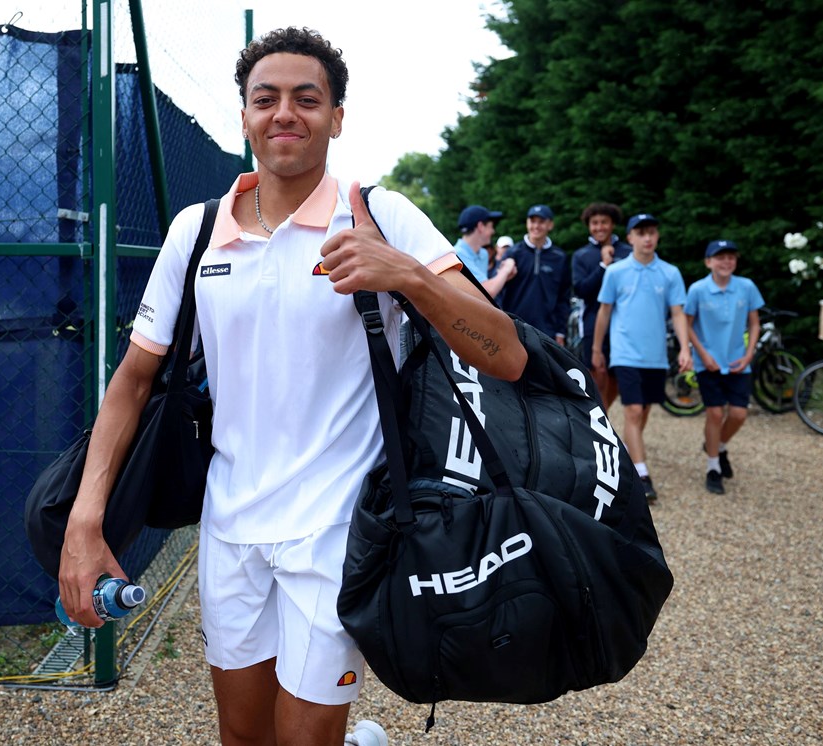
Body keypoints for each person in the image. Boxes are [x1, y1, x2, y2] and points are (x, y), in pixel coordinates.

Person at [57, 27, 527, 746]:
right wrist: (85, 523)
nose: (285, 113)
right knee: (243, 738)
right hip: (231, 525)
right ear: (243, 115)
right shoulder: (198, 229)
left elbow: (507, 355)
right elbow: (133, 380)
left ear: (337, 117)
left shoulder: (380, 215)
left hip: (339, 530)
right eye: (265, 98)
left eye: (307, 99)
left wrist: (402, 273)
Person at [592, 213, 690, 502]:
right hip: (625, 353)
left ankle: (631, 453)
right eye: (641, 232)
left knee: (644, 411)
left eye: (652, 232)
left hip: (655, 356)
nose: (647, 238)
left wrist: (685, 348)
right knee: (632, 410)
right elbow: (604, 312)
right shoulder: (616, 272)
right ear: (630, 237)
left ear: (657, 237)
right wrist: (597, 349)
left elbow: (677, 313)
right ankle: (642, 474)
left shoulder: (670, 273)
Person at [684, 240, 764, 494]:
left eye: (731, 257)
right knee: (715, 414)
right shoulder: (697, 289)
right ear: (708, 262)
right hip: (708, 363)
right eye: (720, 257)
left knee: (739, 414)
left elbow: (754, 324)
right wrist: (702, 354)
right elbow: (686, 324)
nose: (726, 262)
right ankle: (713, 468)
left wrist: (749, 354)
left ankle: (716, 445)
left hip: (738, 362)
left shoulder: (747, 287)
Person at [571, 203, 632, 409]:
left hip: (623, 323)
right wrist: (603, 266)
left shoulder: (628, 252)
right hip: (592, 321)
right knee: (597, 375)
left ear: (612, 224)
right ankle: (600, 425)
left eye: (604, 222)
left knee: (615, 377)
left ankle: (606, 422)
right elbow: (581, 290)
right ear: (588, 226)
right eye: (594, 223)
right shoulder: (581, 255)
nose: (599, 227)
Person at [497, 204, 571, 345]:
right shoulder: (513, 253)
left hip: (547, 331)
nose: (536, 226)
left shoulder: (559, 257)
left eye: (541, 222)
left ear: (550, 225)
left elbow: (563, 297)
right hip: (515, 329)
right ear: (527, 223)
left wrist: (561, 332)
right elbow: (499, 292)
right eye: (532, 221)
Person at [453, 204, 517, 297]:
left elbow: (481, 287)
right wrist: (506, 269)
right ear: (481, 226)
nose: (493, 231)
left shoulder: (483, 254)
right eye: (491, 226)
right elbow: (487, 291)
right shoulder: (457, 255)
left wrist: (504, 277)